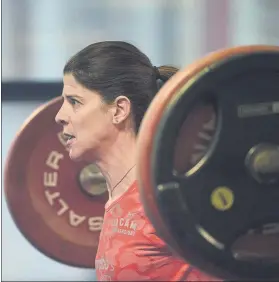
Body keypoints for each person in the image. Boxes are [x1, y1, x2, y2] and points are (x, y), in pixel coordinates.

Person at [55, 41, 218, 281]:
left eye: (74, 102)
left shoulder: (164, 202)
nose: (60, 116)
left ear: (119, 110)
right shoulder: (119, 199)